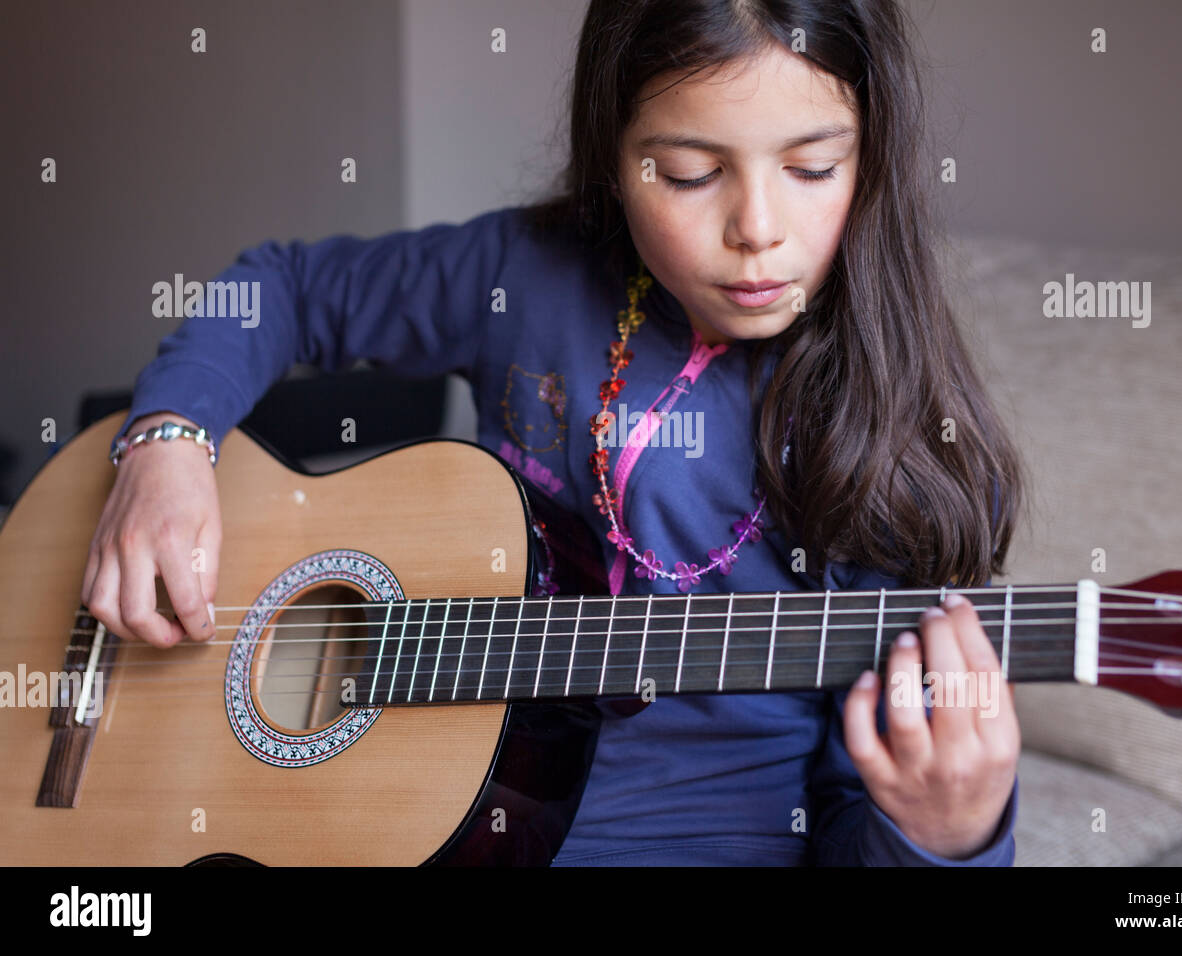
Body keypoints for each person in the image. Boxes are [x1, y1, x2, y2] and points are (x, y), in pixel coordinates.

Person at [81, 0, 1024, 865]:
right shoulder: (518, 277)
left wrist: (946, 833)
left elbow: (855, 830)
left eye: (814, 168)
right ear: (612, 159)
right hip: (404, 809)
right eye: (691, 173)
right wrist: (166, 440)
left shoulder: (898, 454)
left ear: (876, 156)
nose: (759, 228)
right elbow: (276, 288)